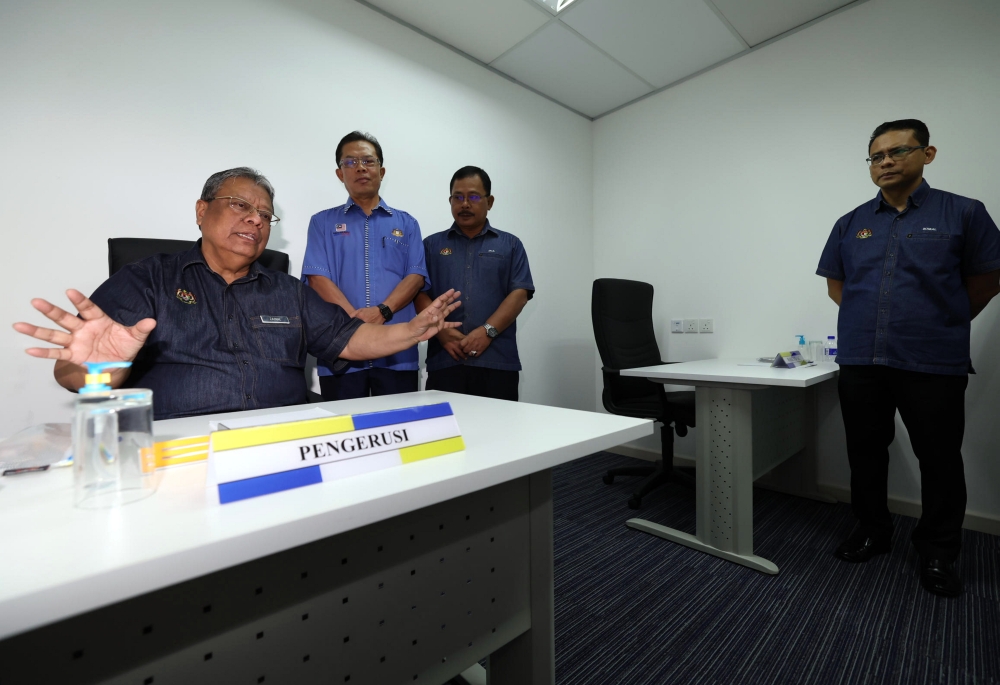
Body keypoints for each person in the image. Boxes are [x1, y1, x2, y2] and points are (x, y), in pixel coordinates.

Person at [12, 167, 460, 420]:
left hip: (283, 443)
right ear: (202, 212)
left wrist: (414, 330)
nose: (255, 220)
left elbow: (351, 339)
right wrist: (99, 367)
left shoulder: (288, 290)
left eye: (265, 214)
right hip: (182, 452)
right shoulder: (146, 279)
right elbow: (73, 377)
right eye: (240, 206)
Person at [816, 120, 1000, 597]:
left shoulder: (963, 212)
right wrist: (873, 321)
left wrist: (943, 318)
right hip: (861, 359)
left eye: (898, 152)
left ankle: (938, 551)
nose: (886, 163)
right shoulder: (850, 221)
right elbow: (839, 285)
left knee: (938, 459)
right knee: (865, 453)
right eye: (876, 157)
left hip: (931, 360)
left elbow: (986, 278)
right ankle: (873, 530)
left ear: (928, 154)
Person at [302, 131, 429, 400]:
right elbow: (317, 277)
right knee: (343, 433)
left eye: (368, 161)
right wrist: (355, 324)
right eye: (350, 162)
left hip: (398, 353)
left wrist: (382, 311)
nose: (360, 168)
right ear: (340, 174)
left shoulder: (407, 224)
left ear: (381, 171)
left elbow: (416, 276)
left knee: (401, 428)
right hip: (341, 349)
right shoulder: (322, 223)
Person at [416, 166, 534, 401]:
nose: (465, 204)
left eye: (473, 197)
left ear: (489, 202)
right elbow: (418, 293)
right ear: (450, 201)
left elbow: (519, 293)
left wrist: (488, 332)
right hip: (445, 359)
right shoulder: (430, 245)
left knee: (499, 435)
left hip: (498, 362)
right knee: (444, 434)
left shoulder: (510, 245)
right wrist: (441, 333)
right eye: (457, 197)